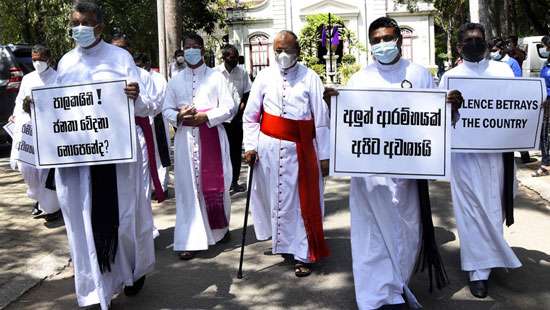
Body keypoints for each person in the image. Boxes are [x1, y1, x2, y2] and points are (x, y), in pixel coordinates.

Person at [325, 17, 459, 309]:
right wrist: (331, 105)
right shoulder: (359, 79)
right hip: (370, 177)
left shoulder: (420, 74)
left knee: (407, 231)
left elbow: (434, 122)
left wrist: (451, 108)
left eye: (387, 38)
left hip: (409, 174)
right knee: (371, 234)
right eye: (376, 40)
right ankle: (374, 296)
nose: (382, 45)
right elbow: (347, 126)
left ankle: (398, 286)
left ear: (398, 38)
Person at [54, 2, 161, 309]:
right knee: (84, 222)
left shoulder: (121, 58)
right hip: (80, 161)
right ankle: (96, 290)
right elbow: (59, 109)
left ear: (99, 26)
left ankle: (132, 272)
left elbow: (147, 107)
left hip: (117, 160)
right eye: (75, 23)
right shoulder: (66, 63)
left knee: (124, 219)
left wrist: (136, 96)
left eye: (85, 23)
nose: (79, 29)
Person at [439, 22, 522, 299]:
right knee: (471, 210)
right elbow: (438, 119)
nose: (474, 43)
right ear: (460, 46)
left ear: (486, 42)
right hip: (464, 158)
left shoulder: (503, 72)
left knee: (494, 207)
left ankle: (491, 255)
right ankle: (478, 271)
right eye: (469, 40)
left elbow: (518, 108)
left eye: (479, 39)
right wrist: (449, 105)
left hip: (497, 156)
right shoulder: (450, 77)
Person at [243, 30, 330, 277]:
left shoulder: (310, 77)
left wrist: (324, 156)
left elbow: (321, 120)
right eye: (278, 50)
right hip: (269, 147)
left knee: (301, 202)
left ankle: (303, 253)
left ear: (298, 51)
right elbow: (250, 117)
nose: (283, 55)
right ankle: (284, 245)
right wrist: (250, 146)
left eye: (288, 50)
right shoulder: (263, 76)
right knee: (277, 199)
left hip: (300, 149)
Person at [163, 32, 236, 260]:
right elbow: (165, 109)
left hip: (212, 135)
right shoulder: (175, 81)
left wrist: (206, 117)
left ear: (203, 50)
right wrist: (179, 115)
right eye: (187, 47)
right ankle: (190, 239)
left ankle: (219, 230)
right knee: (187, 190)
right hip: (185, 140)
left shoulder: (216, 78)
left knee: (215, 186)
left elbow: (229, 107)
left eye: (195, 46)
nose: (191, 50)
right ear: (183, 52)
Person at [8, 44, 61, 222]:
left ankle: (52, 207)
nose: (37, 63)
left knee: (46, 170)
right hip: (30, 132)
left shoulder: (58, 78)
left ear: (49, 59)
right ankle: (39, 201)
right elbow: (19, 102)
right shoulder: (28, 79)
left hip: (50, 132)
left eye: (41, 59)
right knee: (28, 167)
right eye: (34, 59)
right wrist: (16, 116)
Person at [488, 37, 534, 164]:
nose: (492, 53)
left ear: (501, 50)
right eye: (491, 50)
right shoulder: (489, 63)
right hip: (494, 103)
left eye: (494, 50)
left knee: (513, 131)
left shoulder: (512, 63)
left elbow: (517, 82)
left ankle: (524, 154)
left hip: (508, 102)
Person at [215, 44, 252, 193]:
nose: (235, 59)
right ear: (224, 57)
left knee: (235, 152)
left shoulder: (242, 73)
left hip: (236, 120)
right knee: (220, 152)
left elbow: (247, 94)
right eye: (231, 57)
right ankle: (221, 183)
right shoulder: (214, 73)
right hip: (219, 121)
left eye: (237, 56)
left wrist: (240, 113)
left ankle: (234, 182)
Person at [533, 35, 550, 177]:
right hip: (545, 103)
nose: (544, 49)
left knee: (545, 135)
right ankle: (545, 163)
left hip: (549, 104)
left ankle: (545, 165)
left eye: (546, 47)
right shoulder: (547, 63)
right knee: (544, 135)